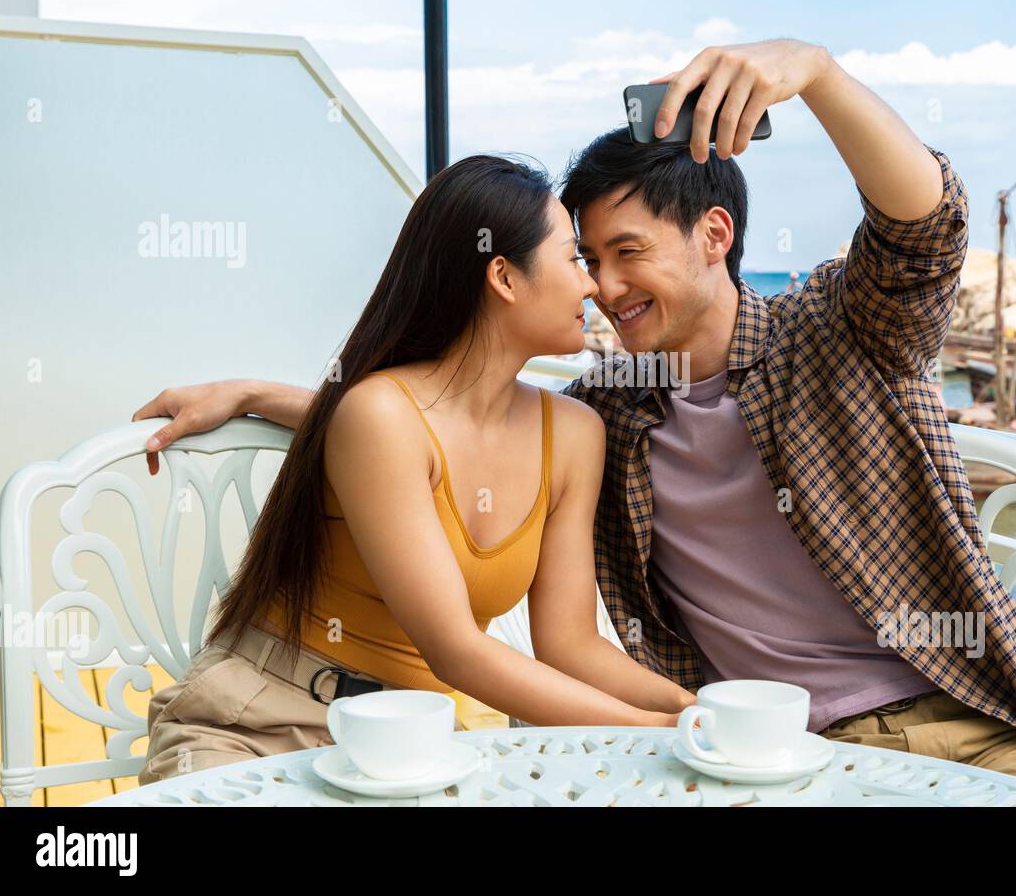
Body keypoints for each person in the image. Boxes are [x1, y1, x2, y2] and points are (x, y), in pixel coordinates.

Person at [136, 38, 1016, 801]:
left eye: (625, 251)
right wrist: (262, 393)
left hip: (959, 728)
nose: (601, 286)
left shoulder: (838, 331)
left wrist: (813, 71)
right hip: (755, 753)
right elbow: (438, 432)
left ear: (714, 235)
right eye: (584, 257)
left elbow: (923, 226)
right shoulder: (610, 409)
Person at [134, 155, 696, 786]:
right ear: (504, 277)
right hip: (259, 727)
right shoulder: (377, 415)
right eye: (573, 259)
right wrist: (648, 733)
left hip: (412, 748)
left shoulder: (573, 433)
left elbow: (569, 646)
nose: (592, 286)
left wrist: (683, 708)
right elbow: (454, 649)